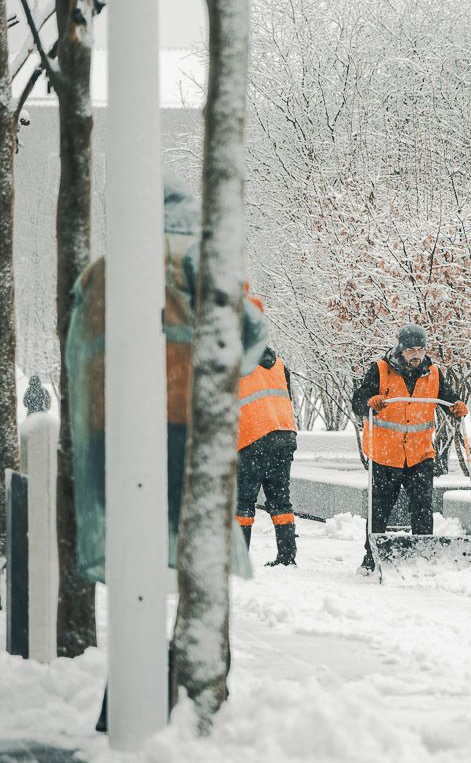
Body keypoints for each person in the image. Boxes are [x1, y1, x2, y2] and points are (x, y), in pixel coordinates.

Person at [66, 177, 263, 730]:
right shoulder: (201, 265)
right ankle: (196, 690)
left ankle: (129, 698)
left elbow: (77, 347)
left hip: (113, 436)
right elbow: (251, 339)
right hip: (185, 432)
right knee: (201, 567)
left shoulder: (103, 270)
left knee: (138, 570)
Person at [351, 323, 468, 575]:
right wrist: (370, 402)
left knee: (423, 507)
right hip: (385, 454)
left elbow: (447, 397)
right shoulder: (380, 370)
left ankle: (423, 556)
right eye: (411, 350)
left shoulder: (433, 373)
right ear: (400, 349)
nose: (417, 355)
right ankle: (371, 558)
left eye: (421, 350)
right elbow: (358, 401)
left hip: (420, 453)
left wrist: (456, 406)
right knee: (380, 509)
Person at [236, 339, 300, 566]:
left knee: (243, 502)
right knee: (280, 500)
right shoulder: (278, 363)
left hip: (252, 437)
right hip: (283, 435)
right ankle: (287, 556)